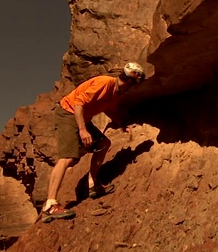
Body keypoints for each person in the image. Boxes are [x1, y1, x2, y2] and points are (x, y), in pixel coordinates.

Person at [40, 62, 145, 223]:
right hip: (68, 114)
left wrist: (122, 124)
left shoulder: (115, 92)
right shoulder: (104, 83)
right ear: (130, 81)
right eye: (134, 85)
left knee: (103, 144)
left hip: (82, 118)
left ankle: (93, 185)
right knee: (67, 158)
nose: (132, 89)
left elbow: (108, 109)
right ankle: (50, 205)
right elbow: (78, 103)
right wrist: (82, 130)